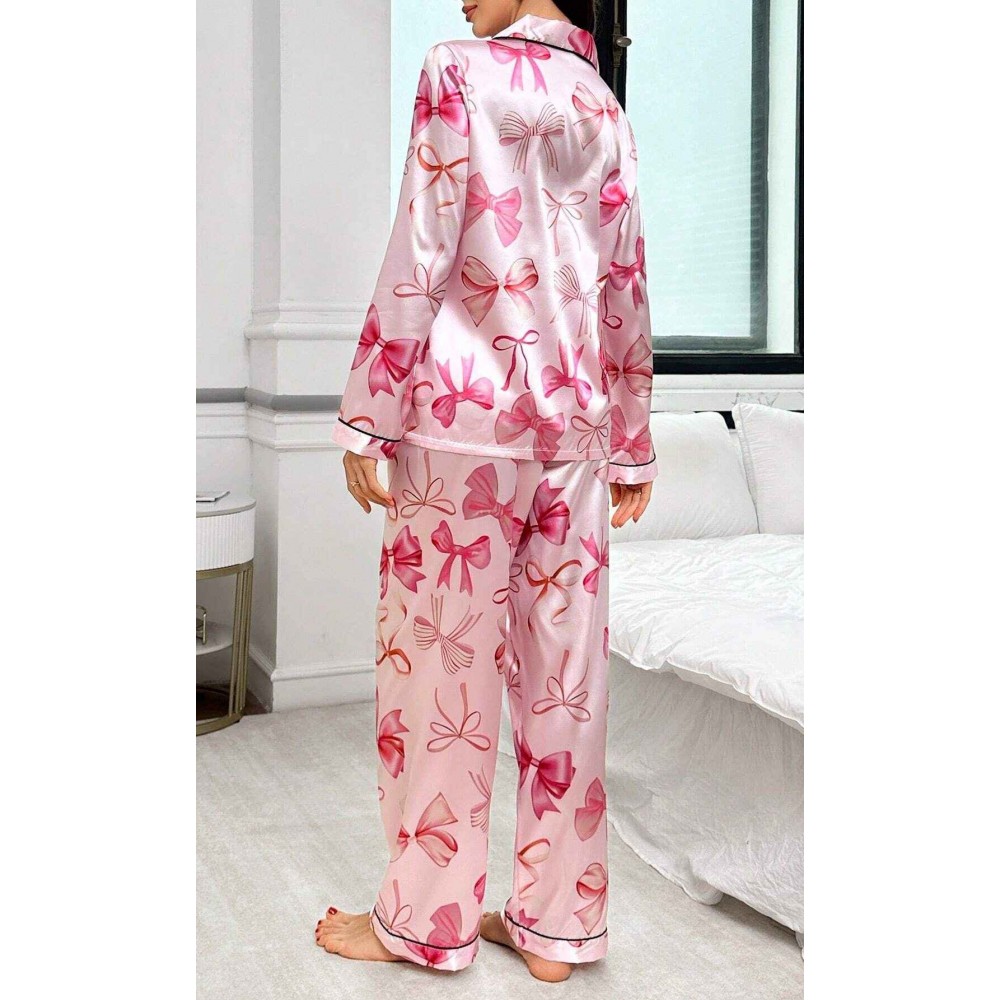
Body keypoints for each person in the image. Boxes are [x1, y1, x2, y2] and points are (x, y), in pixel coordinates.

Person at [317, 0, 657, 982]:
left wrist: (370, 408)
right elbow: (625, 277)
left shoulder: (457, 69)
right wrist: (632, 441)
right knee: (566, 686)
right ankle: (558, 928)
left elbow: (422, 244)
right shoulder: (601, 103)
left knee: (440, 680)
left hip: (461, 430)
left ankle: (426, 923)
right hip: (575, 431)